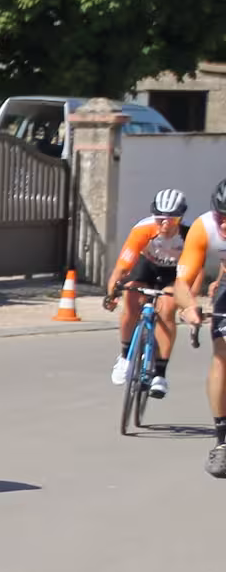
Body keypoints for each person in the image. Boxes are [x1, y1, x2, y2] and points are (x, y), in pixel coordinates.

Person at [105, 189, 189, 400]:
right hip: (146, 267)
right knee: (131, 299)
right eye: (160, 218)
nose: (165, 224)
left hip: (173, 274)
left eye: (171, 219)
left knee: (167, 309)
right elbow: (122, 268)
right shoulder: (143, 230)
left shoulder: (188, 236)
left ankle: (160, 374)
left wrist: (188, 304)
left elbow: (195, 275)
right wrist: (111, 294)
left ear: (180, 218)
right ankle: (125, 357)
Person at [172, 179, 226, 477]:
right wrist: (190, 306)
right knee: (221, 354)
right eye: (221, 217)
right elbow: (182, 282)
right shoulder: (204, 227)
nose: (225, 224)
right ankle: (223, 441)